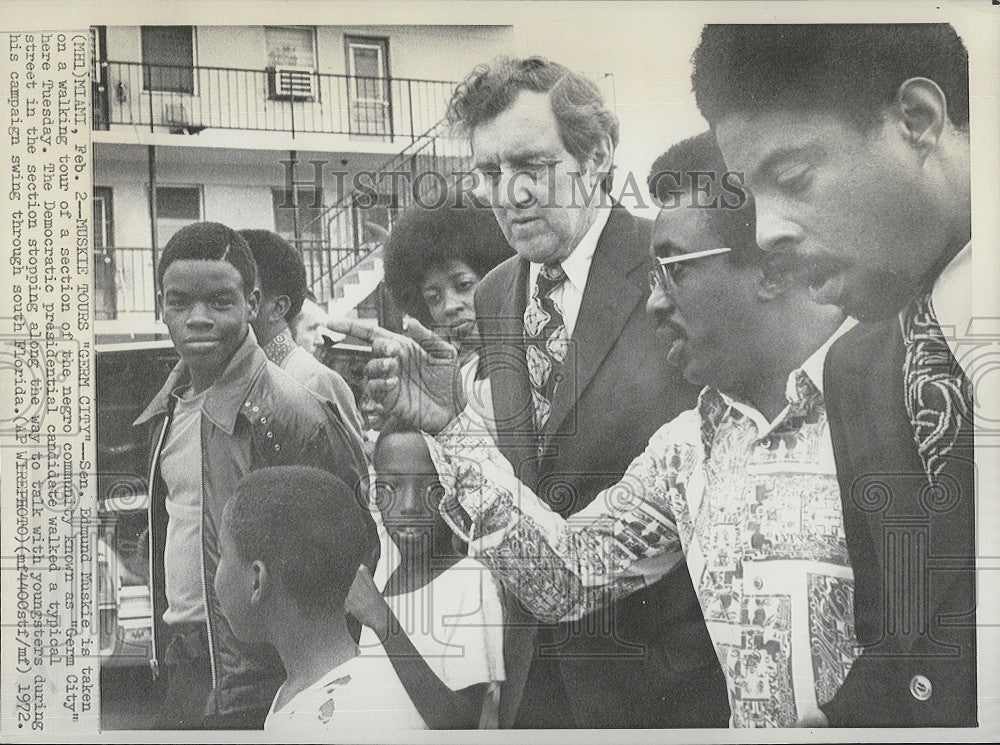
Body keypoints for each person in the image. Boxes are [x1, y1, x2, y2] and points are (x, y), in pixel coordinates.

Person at [419, 132, 856, 727]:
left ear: (772, 267)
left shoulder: (899, 400)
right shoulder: (687, 450)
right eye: (649, 276)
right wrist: (452, 430)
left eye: (672, 271)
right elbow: (564, 580)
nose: (653, 303)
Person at [343, 56, 726, 729]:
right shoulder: (496, 293)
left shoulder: (676, 264)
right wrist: (449, 425)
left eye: (531, 165)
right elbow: (519, 478)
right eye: (490, 173)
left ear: (598, 155)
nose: (510, 193)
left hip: (664, 688)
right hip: (535, 685)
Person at [691, 24, 976, 726]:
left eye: (792, 179)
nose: (764, 235)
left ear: (918, 119)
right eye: (751, 196)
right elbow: (904, 646)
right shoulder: (855, 370)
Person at [134, 222, 370, 729]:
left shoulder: (293, 412)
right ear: (162, 307)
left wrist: (307, 675)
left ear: (253, 303)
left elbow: (348, 550)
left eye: (220, 301)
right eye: (180, 303)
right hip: (186, 663)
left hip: (262, 679)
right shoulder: (167, 408)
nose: (198, 319)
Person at [212, 466, 403, 736]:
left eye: (222, 554)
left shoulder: (321, 721)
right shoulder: (309, 691)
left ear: (257, 580)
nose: (215, 575)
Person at [344, 427, 505, 728]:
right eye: (391, 486)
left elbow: (459, 724)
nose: (408, 506)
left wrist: (383, 621)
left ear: (453, 493)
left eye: (431, 488)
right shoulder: (384, 573)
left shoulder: (471, 581)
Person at [240, 229, 364, 442]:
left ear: (278, 307)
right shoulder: (227, 374)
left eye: (242, 295)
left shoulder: (316, 380)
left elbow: (350, 472)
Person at [382, 191, 514, 363]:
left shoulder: (541, 363)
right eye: (434, 298)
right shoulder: (454, 377)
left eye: (463, 285)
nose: (449, 307)